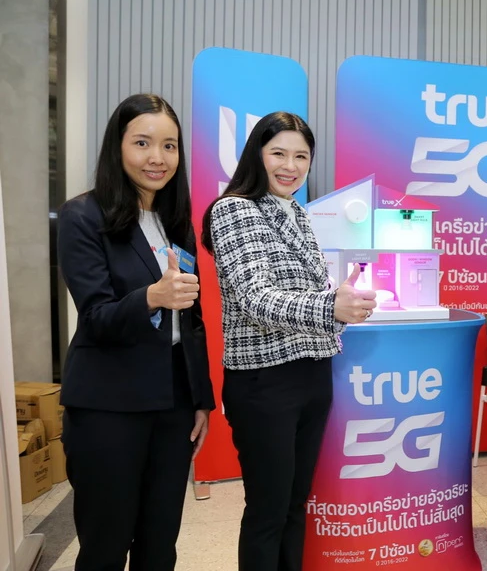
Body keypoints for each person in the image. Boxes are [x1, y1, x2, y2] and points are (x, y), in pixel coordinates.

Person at [200, 111, 377, 571]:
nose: (290, 166)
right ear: (256, 154)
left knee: (296, 505)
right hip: (264, 381)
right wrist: (329, 307)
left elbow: (305, 288)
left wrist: (343, 302)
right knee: (268, 511)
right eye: (278, 153)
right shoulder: (233, 209)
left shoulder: (296, 210)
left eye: (301, 156)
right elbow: (254, 297)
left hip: (312, 373)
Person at [58, 93, 215, 571]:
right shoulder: (83, 216)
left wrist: (200, 398)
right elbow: (96, 317)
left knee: (159, 542)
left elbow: (191, 319)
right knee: (105, 545)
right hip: (109, 406)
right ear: (118, 146)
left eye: (169, 146)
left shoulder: (174, 221)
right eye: (142, 143)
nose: (157, 158)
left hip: (172, 404)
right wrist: (151, 296)